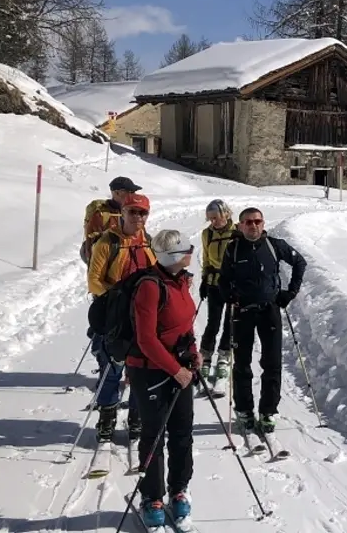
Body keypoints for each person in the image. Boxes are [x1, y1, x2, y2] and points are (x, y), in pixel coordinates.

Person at [126, 229, 201, 529]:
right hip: (150, 371)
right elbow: (146, 340)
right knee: (154, 435)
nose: (191, 252)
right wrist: (176, 370)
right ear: (173, 256)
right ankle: (152, 497)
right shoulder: (150, 286)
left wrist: (193, 352)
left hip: (179, 368)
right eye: (186, 250)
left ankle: (179, 489)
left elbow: (185, 324)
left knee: (182, 432)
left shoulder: (180, 280)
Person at [218, 207, 306, 433]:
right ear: (240, 225)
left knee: (272, 363)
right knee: (242, 364)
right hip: (243, 311)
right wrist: (228, 294)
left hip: (270, 310)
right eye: (248, 222)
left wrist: (291, 292)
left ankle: (268, 410)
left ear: (263, 223)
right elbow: (223, 278)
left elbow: (300, 263)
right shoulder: (233, 249)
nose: (253, 225)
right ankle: (244, 410)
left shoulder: (275, 245)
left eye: (257, 221)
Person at [87, 192, 156, 443]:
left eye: (142, 213)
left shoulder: (148, 241)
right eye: (133, 212)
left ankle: (137, 418)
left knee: (140, 371)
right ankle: (106, 419)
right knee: (111, 369)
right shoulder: (108, 242)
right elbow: (94, 281)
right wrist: (117, 298)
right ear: (123, 213)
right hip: (114, 316)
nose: (138, 217)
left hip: (142, 317)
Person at [197, 199, 236, 382]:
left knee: (230, 321)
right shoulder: (207, 234)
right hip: (214, 282)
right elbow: (206, 258)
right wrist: (204, 279)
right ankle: (205, 355)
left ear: (225, 214)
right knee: (213, 322)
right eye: (210, 218)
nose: (213, 221)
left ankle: (223, 355)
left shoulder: (236, 232)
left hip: (232, 283)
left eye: (216, 217)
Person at [81, 176, 142, 264]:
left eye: (134, 192)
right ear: (117, 193)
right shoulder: (101, 215)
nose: (133, 195)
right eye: (130, 192)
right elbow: (93, 246)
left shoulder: (131, 211)